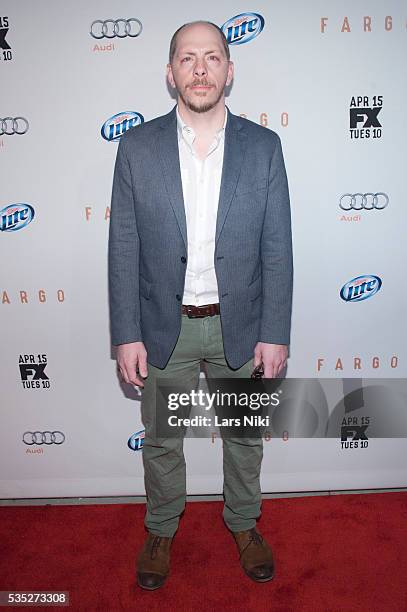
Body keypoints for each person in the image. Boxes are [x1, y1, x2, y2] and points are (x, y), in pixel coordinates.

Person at [108, 20, 293, 590]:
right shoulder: (137, 148)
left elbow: (276, 244)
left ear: (229, 71)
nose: (200, 70)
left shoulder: (264, 147)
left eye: (212, 57)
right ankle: (162, 527)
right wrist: (126, 332)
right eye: (187, 59)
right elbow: (124, 245)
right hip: (168, 327)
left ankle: (243, 522)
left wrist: (275, 330)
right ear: (170, 73)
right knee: (163, 440)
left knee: (244, 437)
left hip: (240, 324)